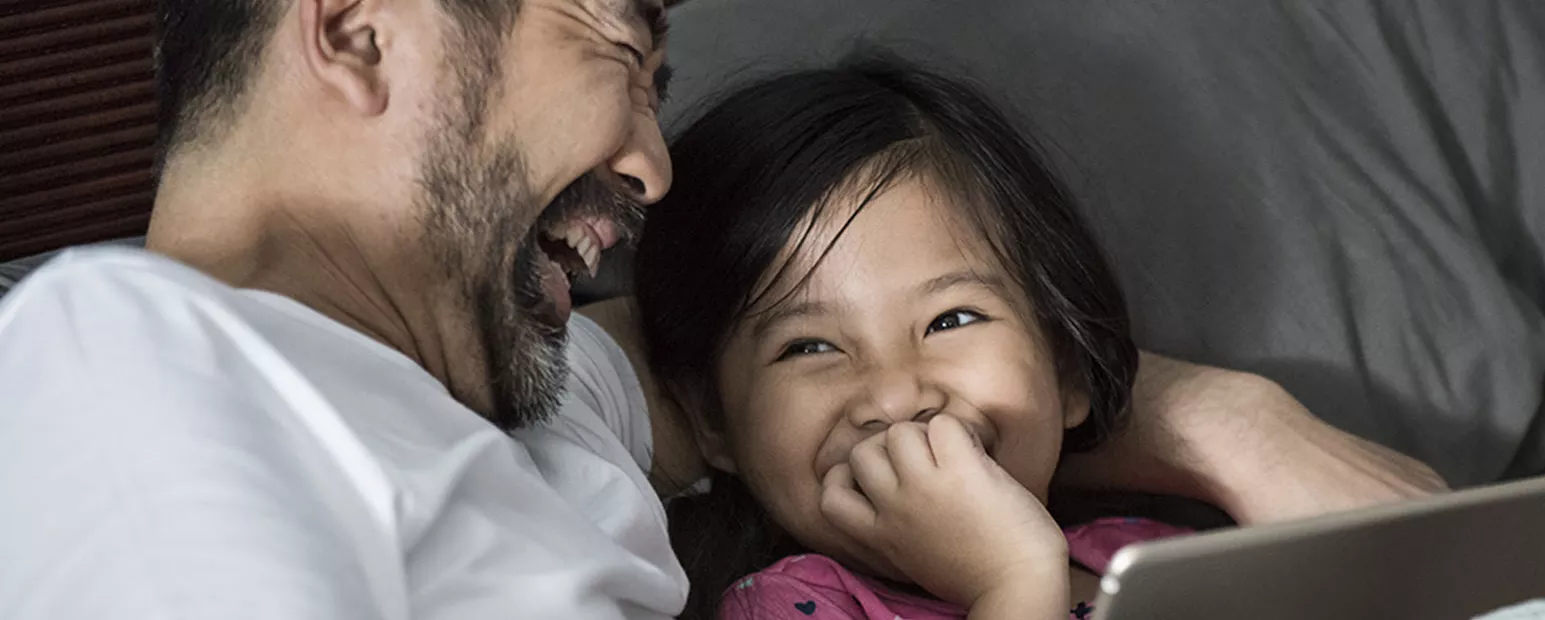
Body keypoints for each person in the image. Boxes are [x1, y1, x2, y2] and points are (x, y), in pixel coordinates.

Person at [0, 1, 1439, 618]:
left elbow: (780, 372)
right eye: (621, 48)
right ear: (368, 30)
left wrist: (1213, 417)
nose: (651, 164)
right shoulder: (124, 367)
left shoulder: (539, 387)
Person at [636, 58, 1204, 619]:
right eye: (808, 346)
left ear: (1066, 369)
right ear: (714, 421)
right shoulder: (783, 609)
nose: (896, 397)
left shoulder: (1156, 559)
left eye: (951, 320)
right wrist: (1011, 580)